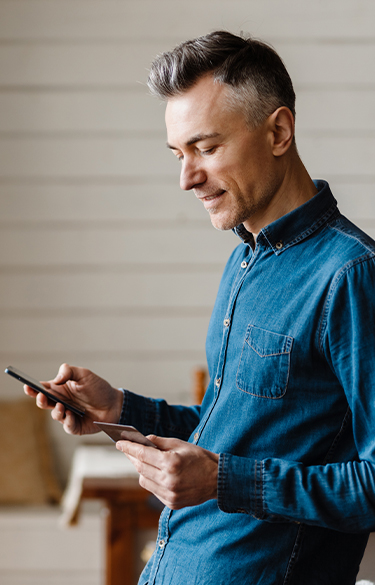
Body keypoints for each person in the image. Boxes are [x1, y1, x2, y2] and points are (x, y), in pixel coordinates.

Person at [25, 31, 375, 584]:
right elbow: (230, 436)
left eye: (206, 149)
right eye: (178, 154)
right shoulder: (245, 264)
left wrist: (222, 482)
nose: (186, 178)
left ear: (279, 131)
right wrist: (120, 408)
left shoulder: (351, 275)